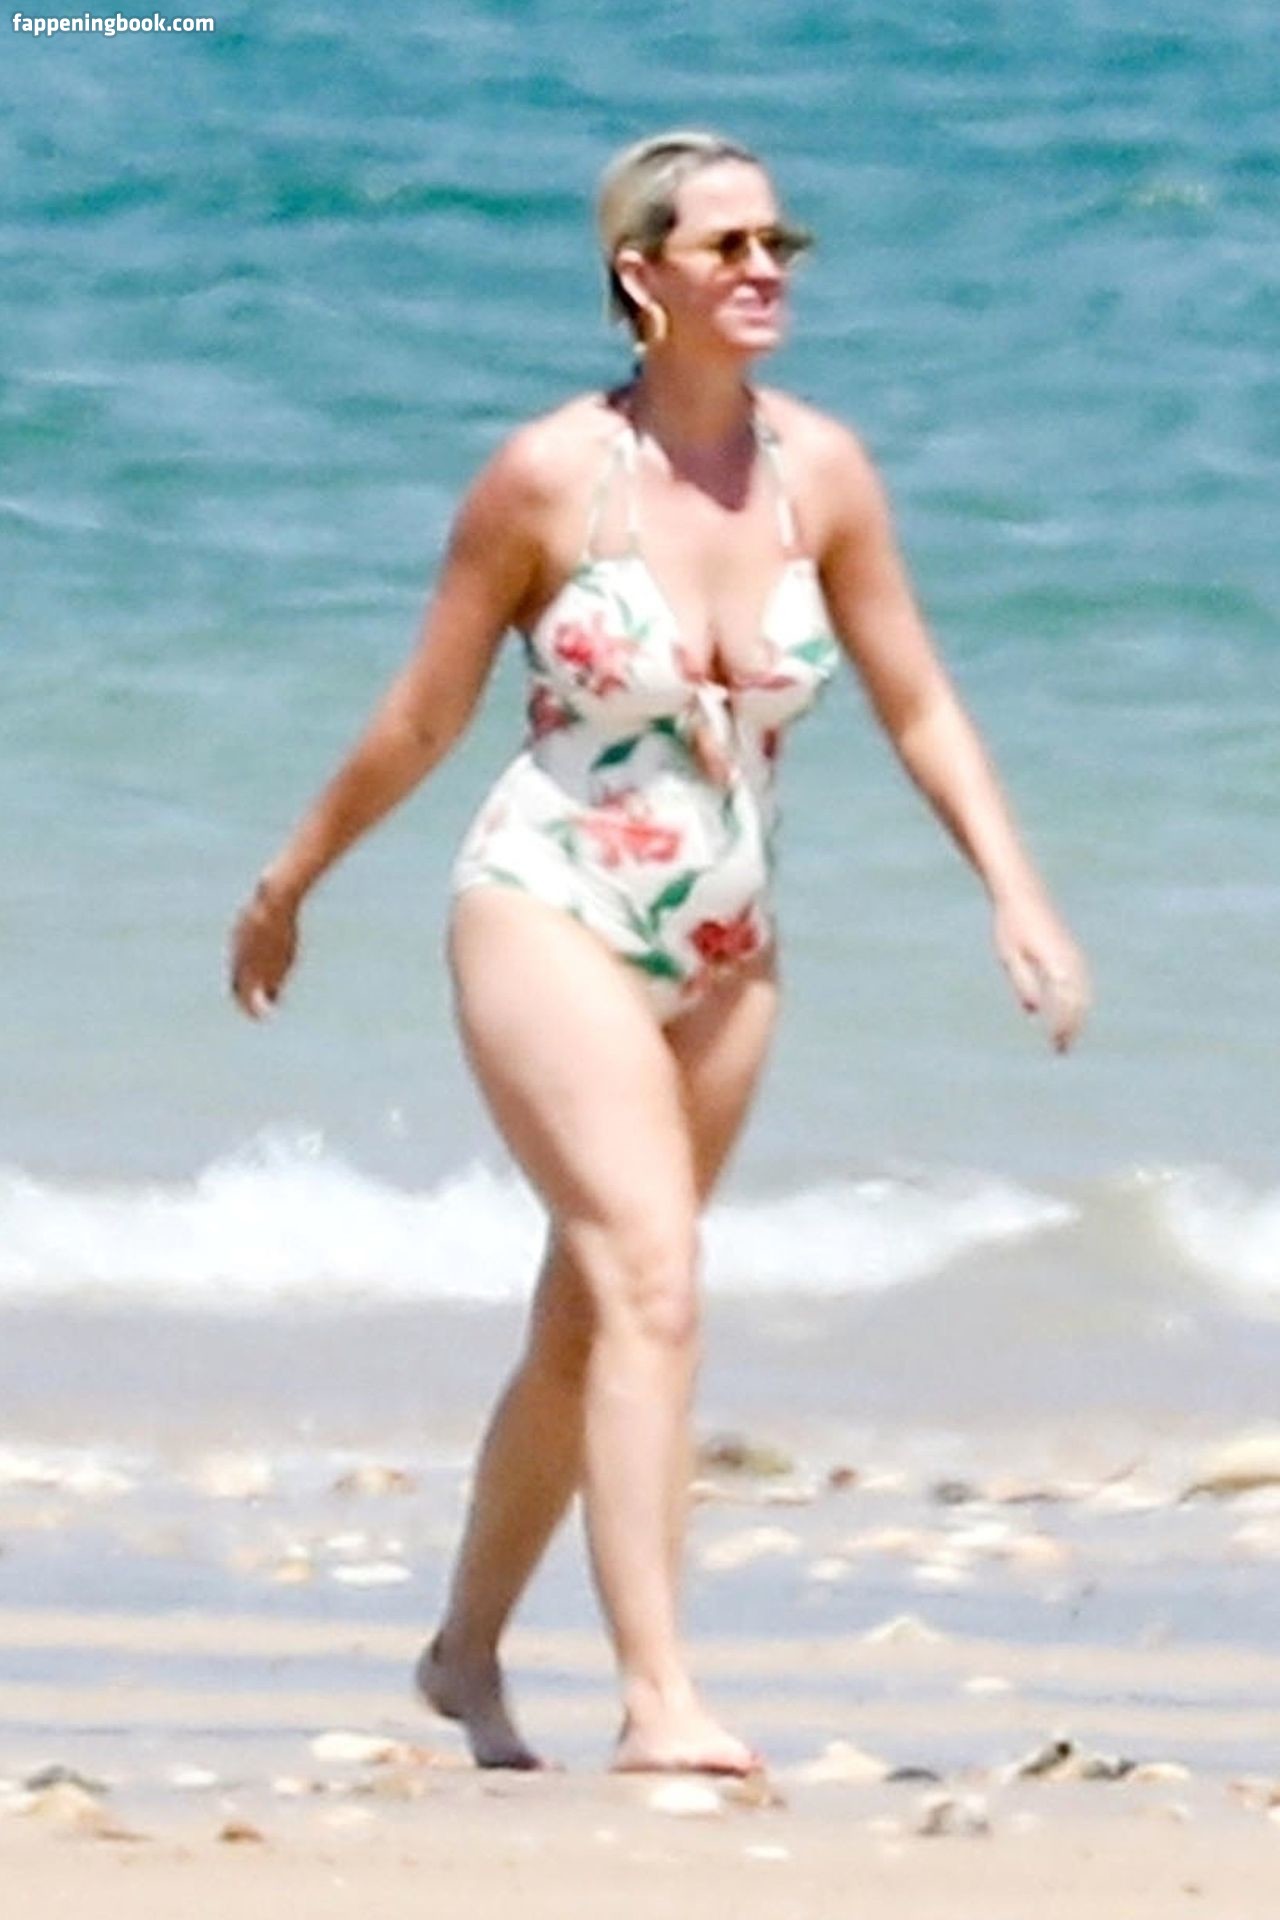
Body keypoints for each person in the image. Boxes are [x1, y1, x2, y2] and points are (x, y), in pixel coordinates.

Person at [229, 129, 1089, 1777]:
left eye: (782, 244)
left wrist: (1016, 892)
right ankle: (660, 1698)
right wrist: (291, 880)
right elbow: (423, 716)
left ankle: (463, 1654)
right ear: (642, 274)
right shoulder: (549, 477)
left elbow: (917, 699)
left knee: (594, 1311)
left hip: (731, 940)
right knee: (655, 1276)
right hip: (549, 899)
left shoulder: (822, 474)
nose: (765, 270)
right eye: (728, 247)